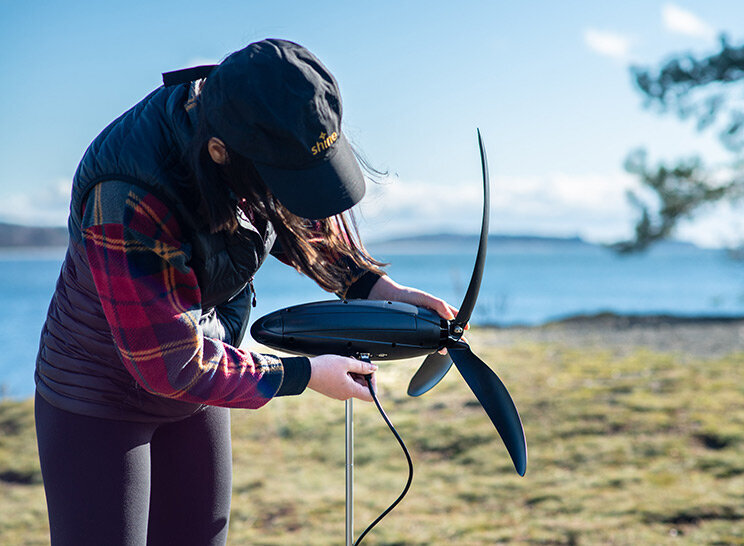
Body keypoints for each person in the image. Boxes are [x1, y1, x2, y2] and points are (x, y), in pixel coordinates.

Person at [34, 38, 458, 546]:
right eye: (282, 180)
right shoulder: (127, 195)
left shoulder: (265, 114)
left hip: (199, 372)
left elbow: (299, 212)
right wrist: (304, 372)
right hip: (101, 394)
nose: (289, 196)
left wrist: (373, 285)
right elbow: (168, 364)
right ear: (219, 155)